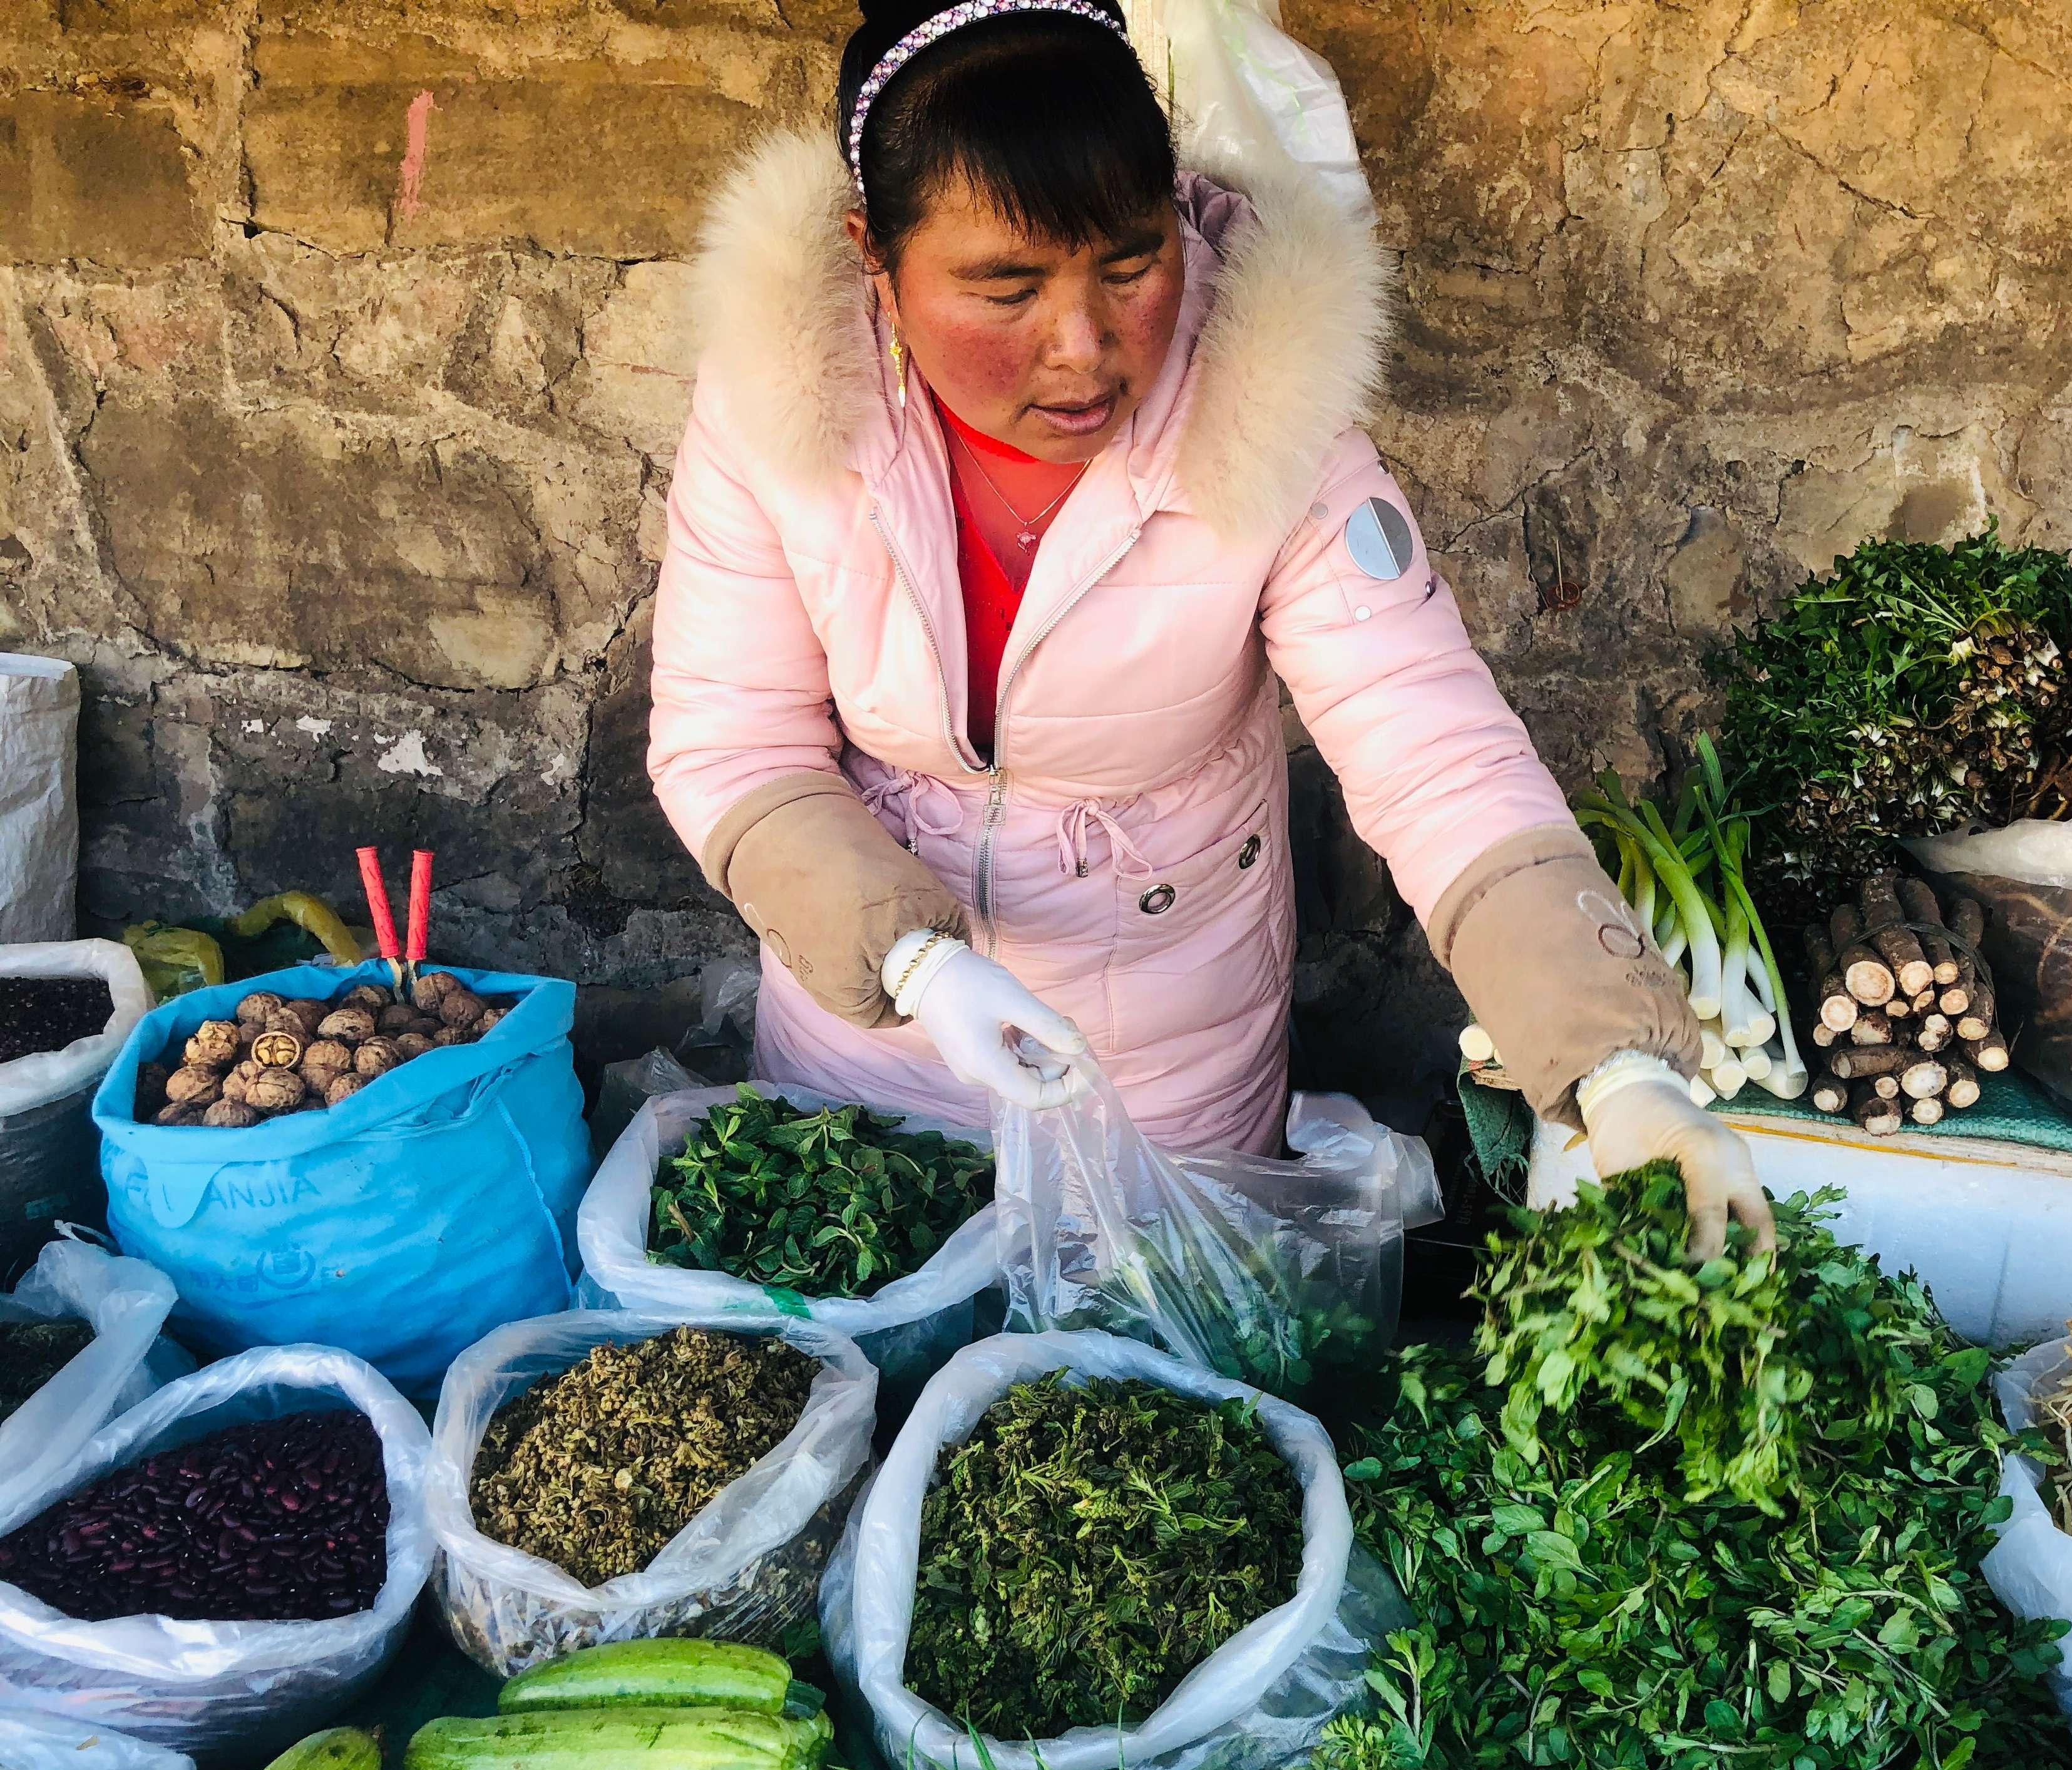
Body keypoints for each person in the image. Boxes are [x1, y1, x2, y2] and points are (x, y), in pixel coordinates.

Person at [647, 0, 1773, 1257]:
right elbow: (732, 741)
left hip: (1162, 1085)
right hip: (864, 1063)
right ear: (874, 254)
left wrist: (1616, 1063)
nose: (1081, 350)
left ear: (1179, 211)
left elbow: (1431, 745)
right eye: (1005, 287)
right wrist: (909, 963)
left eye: (1130, 264)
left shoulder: (1263, 397)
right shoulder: (777, 400)